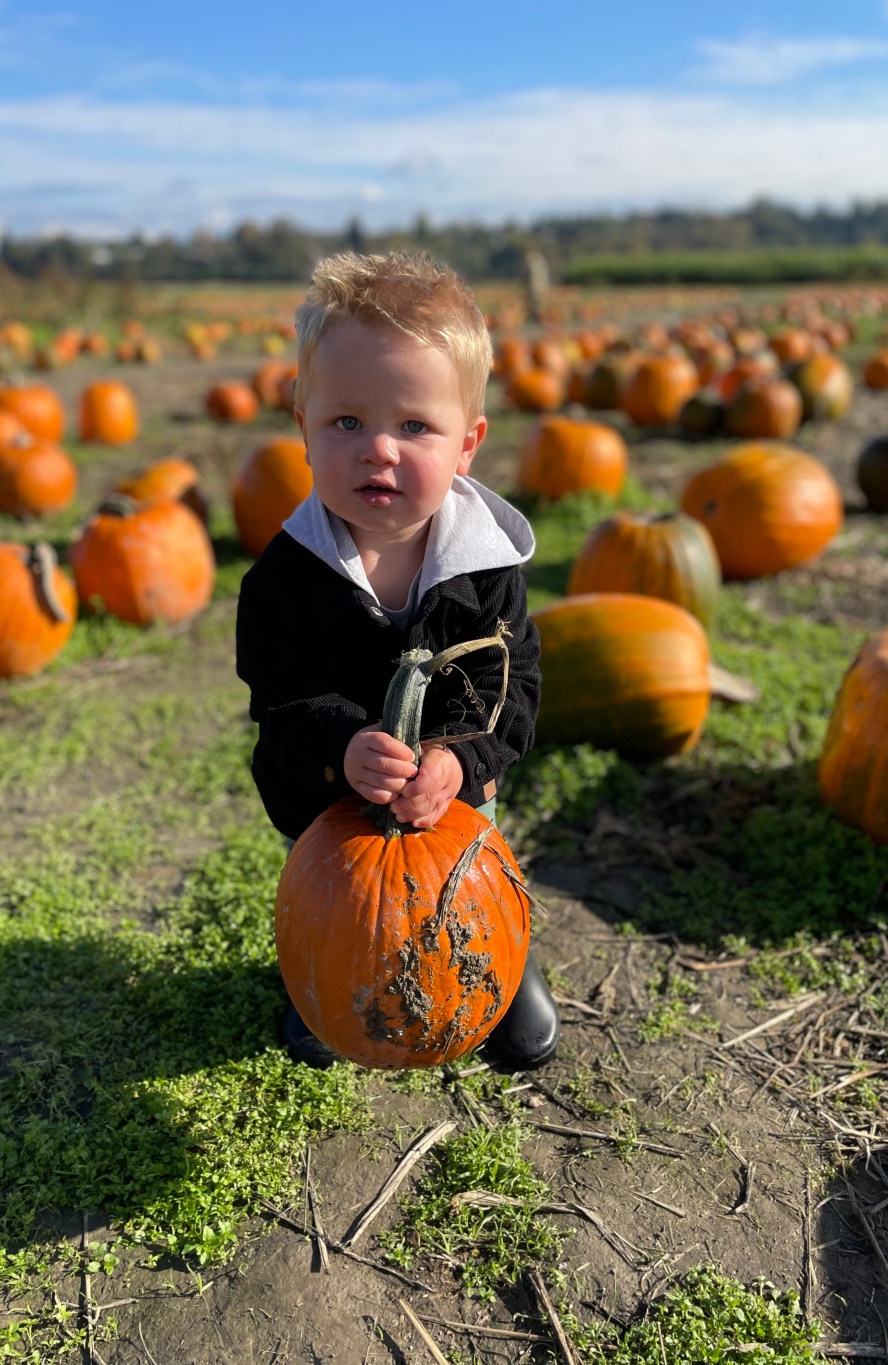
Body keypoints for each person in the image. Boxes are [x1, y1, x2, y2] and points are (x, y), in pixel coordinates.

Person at [235, 249, 560, 1071]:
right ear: (304, 427)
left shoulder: (487, 568)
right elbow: (281, 699)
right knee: (336, 897)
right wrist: (343, 746)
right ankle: (323, 976)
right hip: (332, 804)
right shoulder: (284, 581)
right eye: (347, 422)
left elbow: (511, 690)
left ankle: (500, 962)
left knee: (470, 874)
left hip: (456, 805)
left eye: (414, 426)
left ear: (466, 445)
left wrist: (459, 760)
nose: (378, 448)